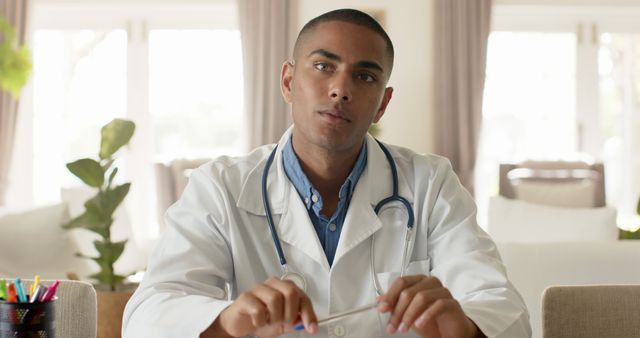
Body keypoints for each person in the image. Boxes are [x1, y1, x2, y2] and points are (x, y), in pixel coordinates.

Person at [123, 8, 531, 338]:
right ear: (288, 80)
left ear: (382, 104)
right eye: (323, 66)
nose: (340, 89)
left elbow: (505, 309)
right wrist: (229, 320)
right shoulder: (221, 187)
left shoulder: (430, 183)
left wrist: (461, 326)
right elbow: (147, 314)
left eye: (365, 76)